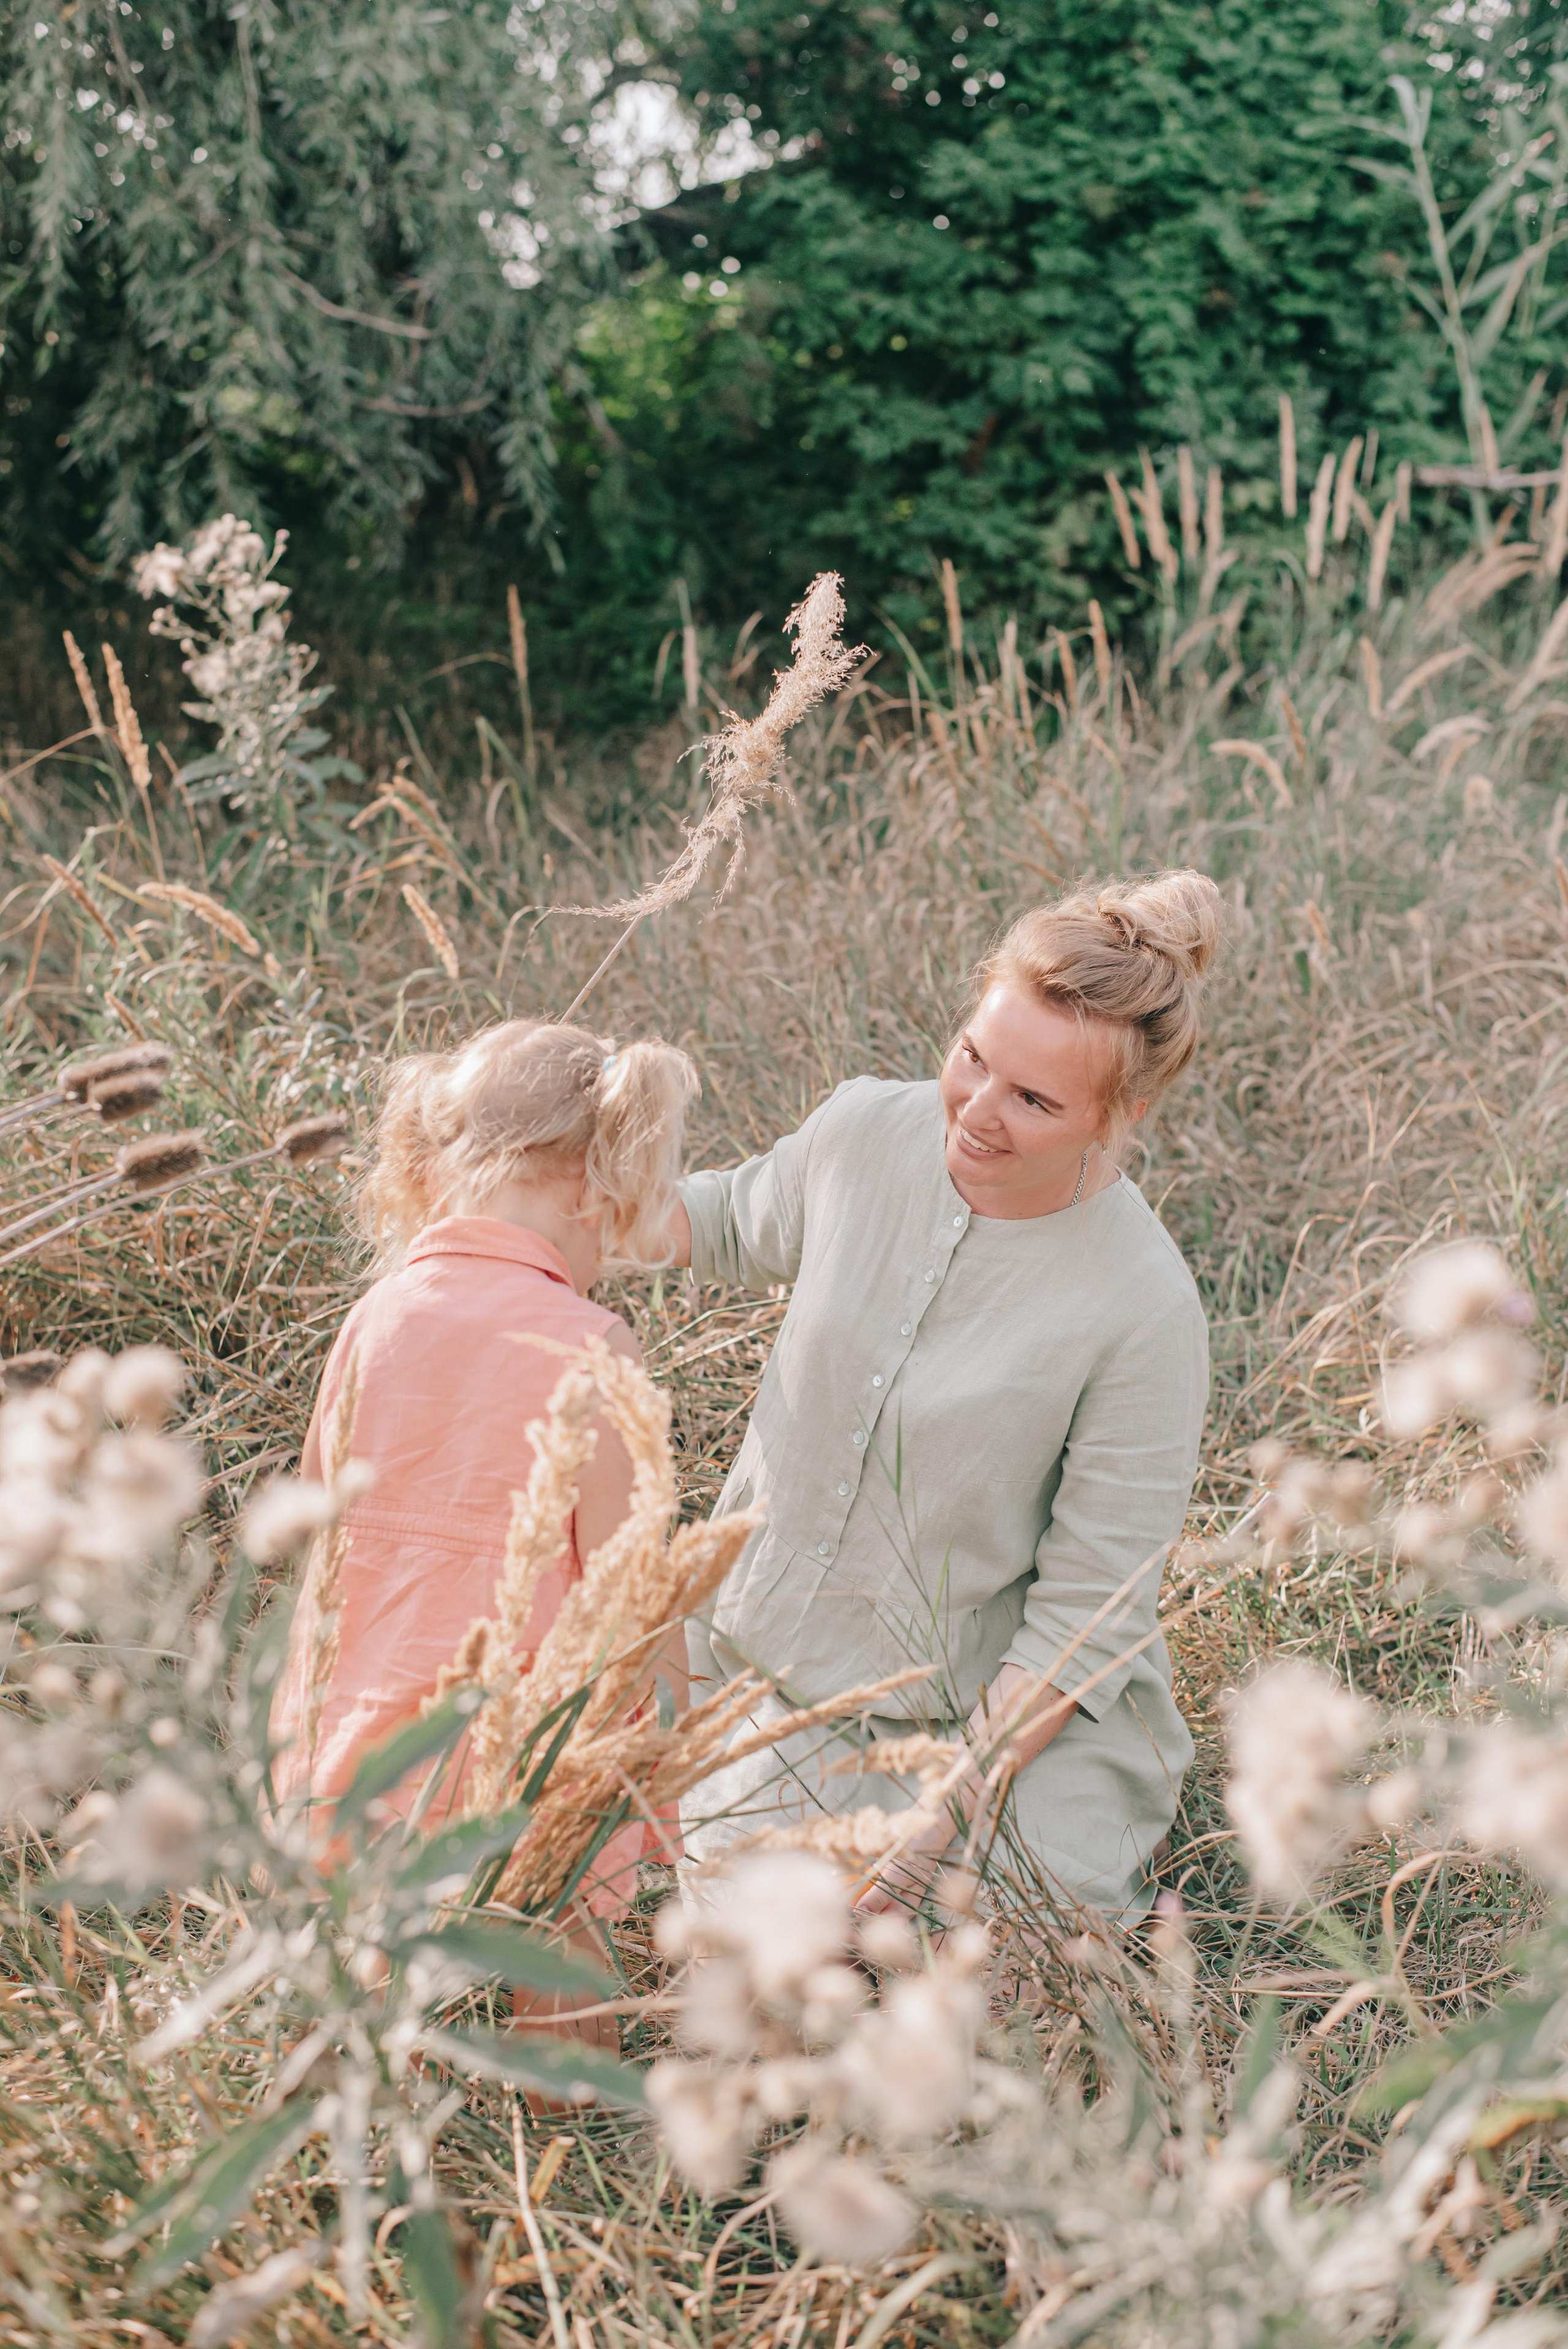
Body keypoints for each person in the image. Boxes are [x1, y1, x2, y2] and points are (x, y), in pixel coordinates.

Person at [669, 871, 1221, 1926]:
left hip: (1006, 1714)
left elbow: (1083, 1621)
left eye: (1035, 1099)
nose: (975, 1110)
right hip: (782, 1663)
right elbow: (723, 1219)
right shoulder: (864, 1130)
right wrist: (547, 1203)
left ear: (1124, 1113)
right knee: (758, 1944)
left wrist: (928, 1844)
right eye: (974, 1056)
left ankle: (1112, 1889)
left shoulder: (1148, 1308)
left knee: (1007, 1957)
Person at [270, 1017, 697, 1946]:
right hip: (524, 1754)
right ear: (597, 1186)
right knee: (555, 1968)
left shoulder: (375, 1315)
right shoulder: (593, 1344)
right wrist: (679, 1737)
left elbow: (311, 1519)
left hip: (359, 1726)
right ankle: (568, 2100)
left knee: (366, 1985)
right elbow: (634, 1588)